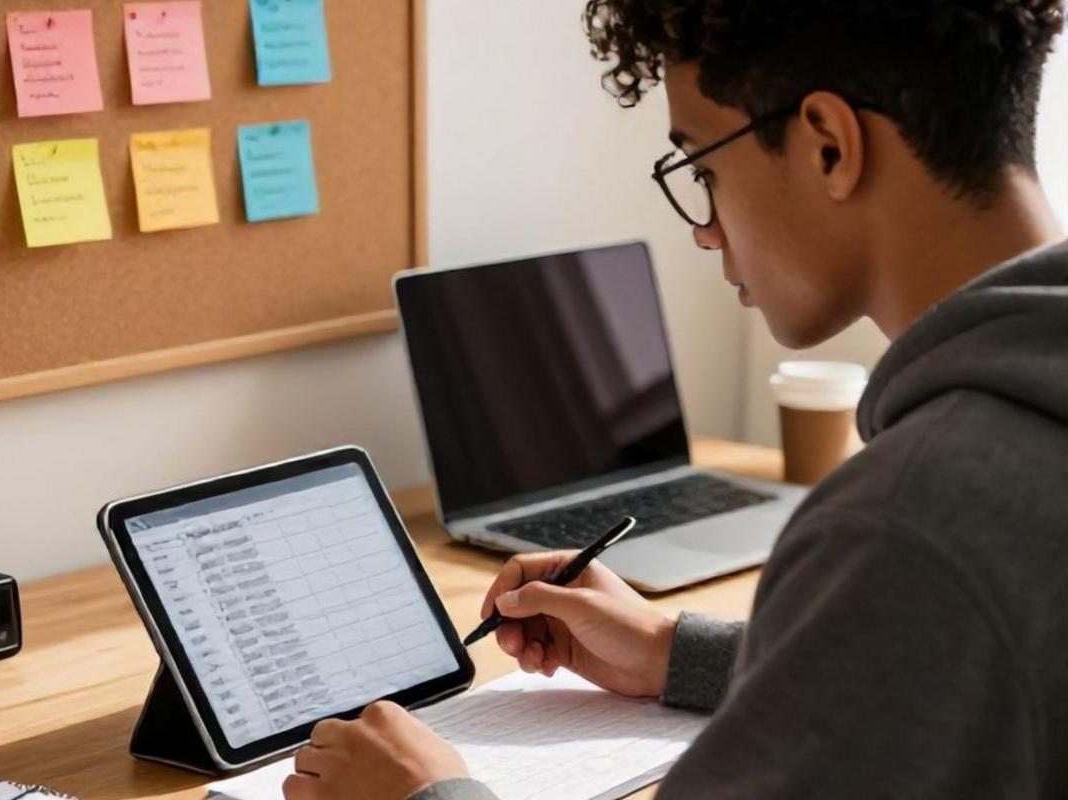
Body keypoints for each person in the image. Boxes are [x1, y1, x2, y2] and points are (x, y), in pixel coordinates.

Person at [282, 1, 1068, 798]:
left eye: (704, 171)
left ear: (829, 145)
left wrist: (426, 793)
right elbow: (939, 671)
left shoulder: (905, 527)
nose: (705, 231)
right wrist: (670, 649)